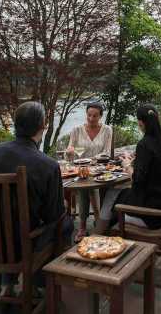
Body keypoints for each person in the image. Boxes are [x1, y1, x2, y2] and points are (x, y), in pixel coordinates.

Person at [0, 101, 73, 296]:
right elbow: (53, 216)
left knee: (10, 224)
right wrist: (64, 205)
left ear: (16, 124)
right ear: (43, 126)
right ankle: (35, 285)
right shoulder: (47, 165)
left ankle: (8, 284)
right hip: (19, 249)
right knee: (65, 223)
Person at [93, 104, 161, 234]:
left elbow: (137, 180)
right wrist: (137, 160)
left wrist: (127, 165)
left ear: (141, 122)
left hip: (152, 215)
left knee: (111, 194)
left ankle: (98, 234)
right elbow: (156, 166)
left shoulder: (144, 144)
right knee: (121, 194)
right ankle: (106, 229)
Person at [66, 102, 112, 242]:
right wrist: (70, 152)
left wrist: (93, 161)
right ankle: (83, 226)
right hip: (81, 169)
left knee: (97, 186)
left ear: (100, 116)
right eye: (89, 115)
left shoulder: (107, 130)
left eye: (95, 116)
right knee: (83, 186)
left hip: (100, 169)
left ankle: (100, 220)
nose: (91, 118)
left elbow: (107, 152)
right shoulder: (77, 130)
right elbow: (70, 152)